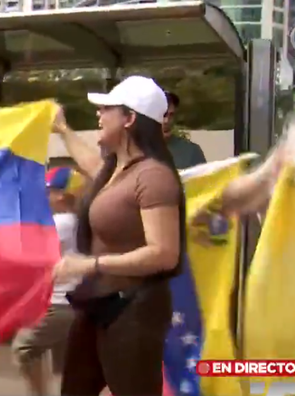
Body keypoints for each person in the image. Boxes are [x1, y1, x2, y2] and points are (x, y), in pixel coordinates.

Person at [51, 75, 186, 396]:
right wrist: (63, 130)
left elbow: (164, 253)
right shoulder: (115, 171)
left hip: (133, 310)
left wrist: (91, 265)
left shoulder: (153, 176)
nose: (99, 114)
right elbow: (90, 164)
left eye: (106, 108)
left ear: (129, 118)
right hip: (99, 305)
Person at [12, 167, 83, 396]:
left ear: (62, 195)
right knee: (65, 366)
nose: (44, 196)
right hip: (72, 301)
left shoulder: (61, 222)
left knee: (24, 348)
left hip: (59, 303)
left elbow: (26, 252)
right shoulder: (76, 221)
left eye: (48, 191)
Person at [162, 91, 206, 169]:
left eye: (171, 115)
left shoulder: (191, 151)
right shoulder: (136, 150)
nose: (167, 120)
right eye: (163, 115)